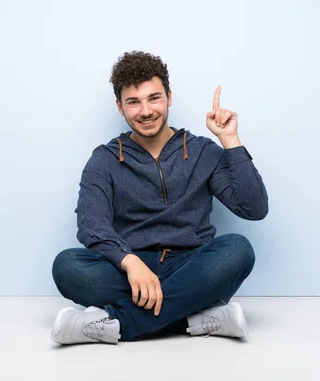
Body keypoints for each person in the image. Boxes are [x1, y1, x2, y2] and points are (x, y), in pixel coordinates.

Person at [51, 51, 269, 345]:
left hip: (191, 266)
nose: (145, 110)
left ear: (168, 97)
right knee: (67, 265)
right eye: (133, 102)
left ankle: (120, 324)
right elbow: (91, 224)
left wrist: (230, 140)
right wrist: (130, 262)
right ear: (120, 107)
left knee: (238, 249)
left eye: (154, 98)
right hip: (130, 271)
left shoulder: (204, 151)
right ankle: (197, 318)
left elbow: (253, 208)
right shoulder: (104, 159)